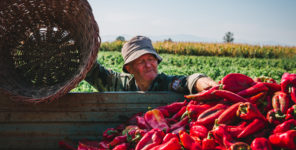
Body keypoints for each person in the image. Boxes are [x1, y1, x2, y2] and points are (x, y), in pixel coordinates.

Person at [85, 36, 217, 94]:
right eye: (141, 61)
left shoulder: (166, 83)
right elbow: (91, 71)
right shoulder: (119, 84)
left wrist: (201, 81)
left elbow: (187, 81)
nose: (148, 65)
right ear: (129, 69)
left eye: (151, 59)